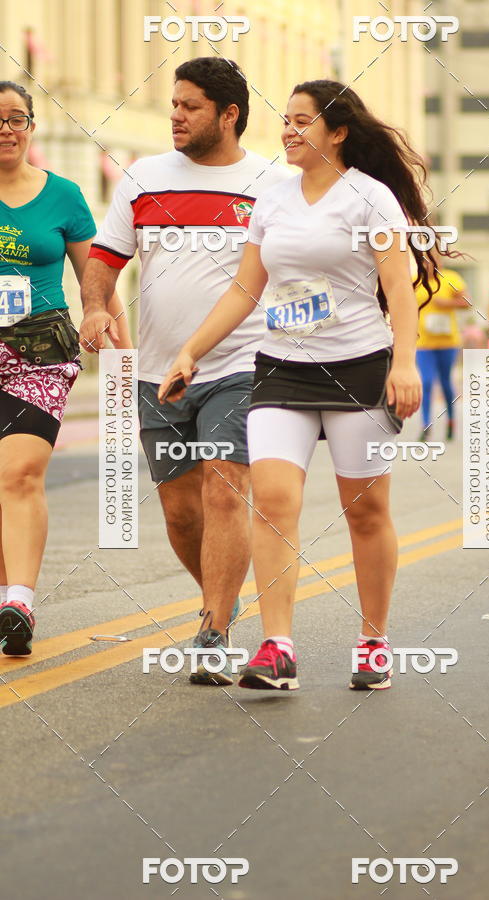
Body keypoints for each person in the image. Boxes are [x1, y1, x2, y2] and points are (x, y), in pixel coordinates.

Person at [159, 79, 443, 692]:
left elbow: (398, 288)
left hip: (358, 368)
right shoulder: (273, 201)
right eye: (284, 120)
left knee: (366, 512)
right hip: (281, 368)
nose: (287, 130)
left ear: (337, 132)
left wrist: (404, 363)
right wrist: (191, 350)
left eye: (301, 120)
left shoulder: (370, 199)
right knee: (273, 503)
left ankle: (373, 641)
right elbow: (245, 289)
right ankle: (277, 647)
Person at [80, 58, 289, 685]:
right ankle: (218, 599)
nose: (175, 115)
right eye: (173, 103)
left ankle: (214, 632)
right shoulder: (142, 178)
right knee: (180, 512)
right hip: (158, 371)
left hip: (242, 364)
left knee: (225, 487)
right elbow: (104, 259)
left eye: (190, 106)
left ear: (228, 114)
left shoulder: (271, 184)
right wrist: (94, 306)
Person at [0, 81, 131, 655]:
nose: (6, 129)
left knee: (19, 474)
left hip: (40, 352)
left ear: (31, 127)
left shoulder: (64, 195)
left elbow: (97, 281)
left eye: (16, 118)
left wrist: (124, 359)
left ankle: (20, 601)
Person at [415, 255, 469, 440]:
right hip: (423, 343)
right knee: (426, 382)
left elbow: (467, 302)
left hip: (448, 342)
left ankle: (451, 420)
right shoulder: (415, 280)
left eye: (434, 260)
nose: (430, 264)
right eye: (425, 260)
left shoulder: (451, 278)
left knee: (446, 382)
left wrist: (448, 303)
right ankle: (425, 425)